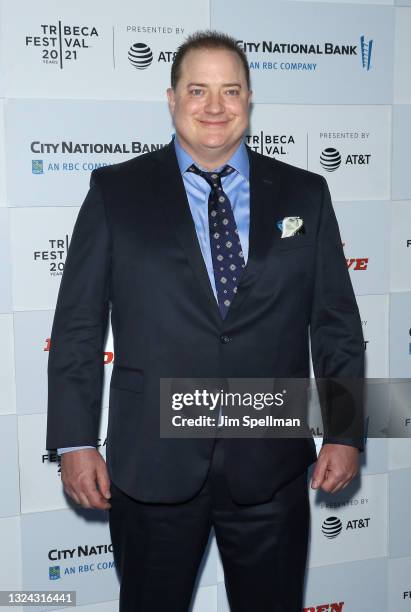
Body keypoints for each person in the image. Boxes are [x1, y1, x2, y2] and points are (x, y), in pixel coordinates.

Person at [46, 30, 364, 612]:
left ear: (248, 100)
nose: (214, 107)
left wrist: (343, 431)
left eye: (230, 90)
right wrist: (73, 440)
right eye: (198, 90)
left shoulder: (306, 192)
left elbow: (336, 322)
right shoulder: (116, 192)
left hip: (271, 465)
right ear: (172, 99)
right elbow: (78, 328)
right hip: (151, 465)